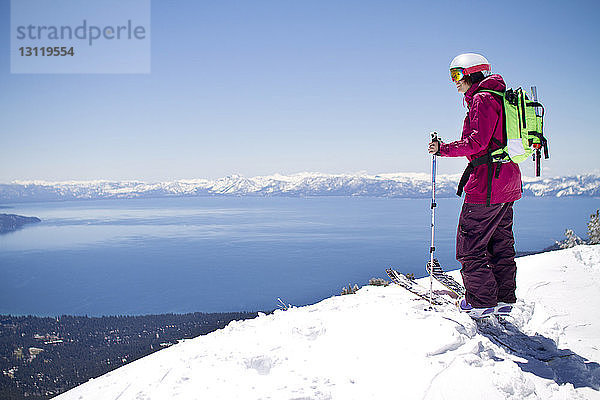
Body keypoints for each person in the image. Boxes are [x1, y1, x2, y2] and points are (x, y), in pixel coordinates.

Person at [428, 53, 521, 318]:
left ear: (472, 73)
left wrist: (442, 149)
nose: (454, 81)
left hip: (487, 183)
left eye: (457, 75)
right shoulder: (498, 97)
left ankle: (481, 303)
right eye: (452, 76)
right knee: (500, 242)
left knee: (470, 244)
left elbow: (477, 142)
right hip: (507, 179)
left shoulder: (482, 98)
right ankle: (503, 300)